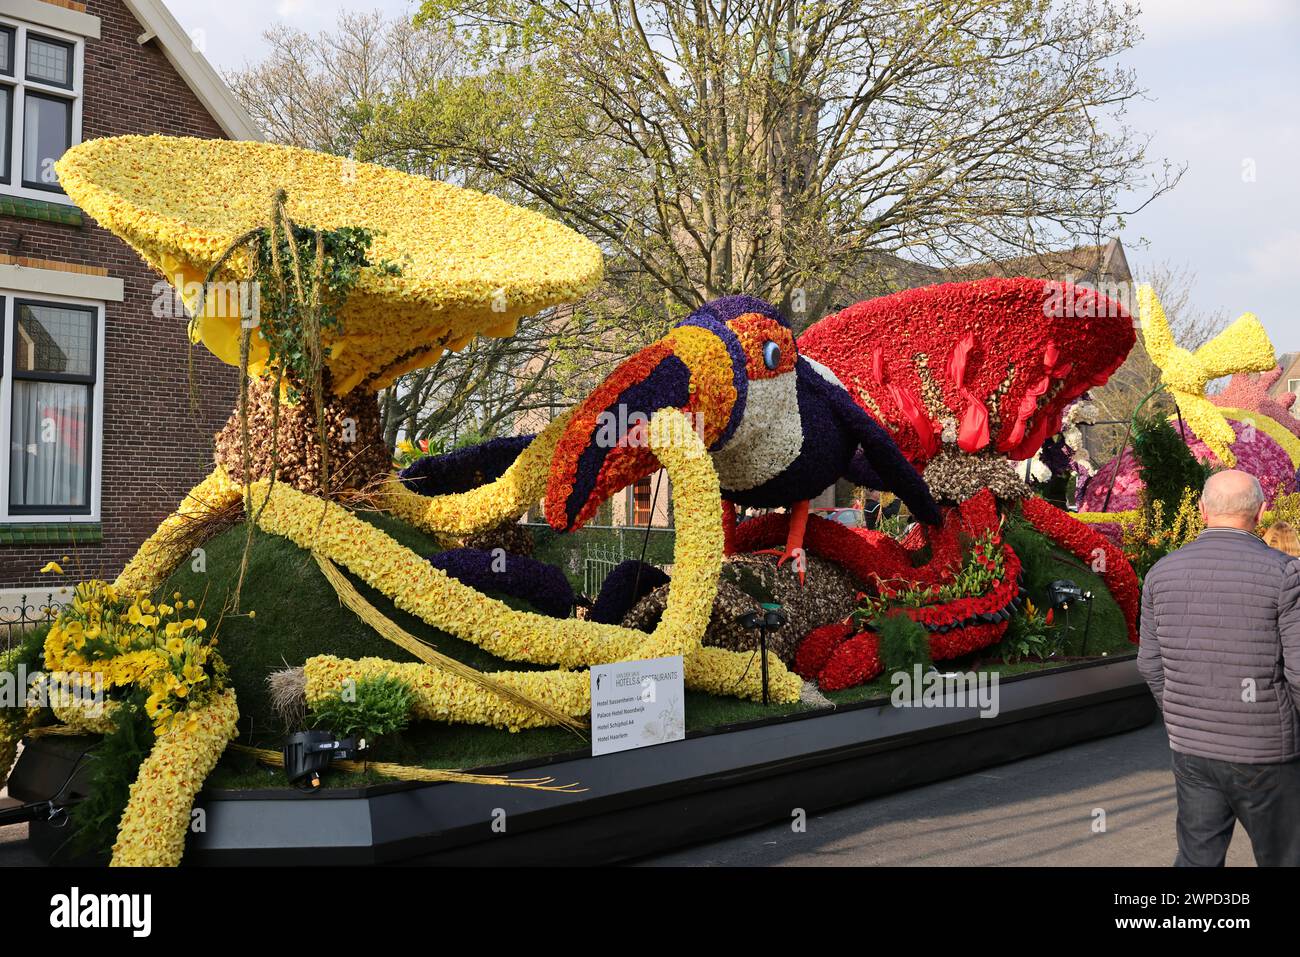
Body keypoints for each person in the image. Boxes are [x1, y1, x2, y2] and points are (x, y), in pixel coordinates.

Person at [1139, 469, 1300, 866]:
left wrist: (1180, 712)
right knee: (1283, 856)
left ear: (1202, 510)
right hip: (1266, 750)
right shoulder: (1285, 573)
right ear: (1261, 512)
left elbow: (1149, 662)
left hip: (1192, 748)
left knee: (1197, 857)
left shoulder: (1160, 573)